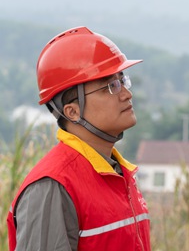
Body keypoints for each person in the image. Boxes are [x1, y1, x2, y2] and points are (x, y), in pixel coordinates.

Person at [6, 27, 151, 251]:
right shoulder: (53, 187)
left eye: (122, 80)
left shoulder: (118, 173)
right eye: (110, 86)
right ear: (72, 111)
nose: (126, 93)